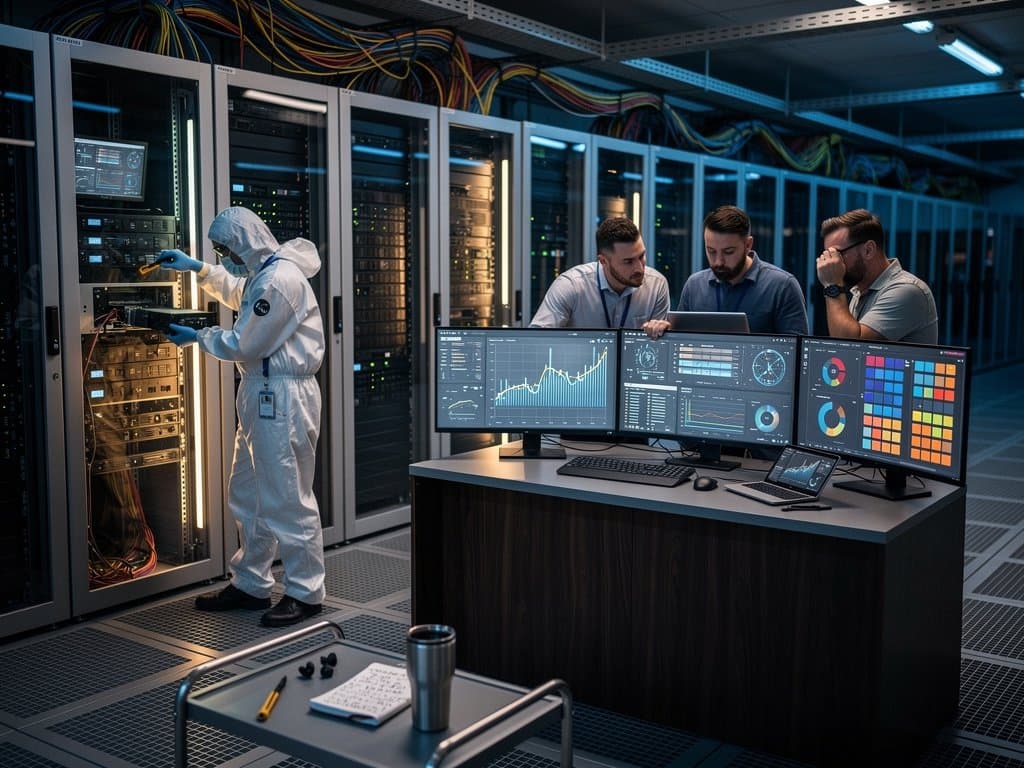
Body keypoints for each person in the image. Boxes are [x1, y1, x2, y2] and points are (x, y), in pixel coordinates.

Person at [158, 206, 326, 628]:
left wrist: (199, 337)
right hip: (263, 395)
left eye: (225, 249)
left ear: (244, 241)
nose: (225, 256)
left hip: (282, 397)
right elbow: (241, 294)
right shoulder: (265, 272)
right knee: (248, 494)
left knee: (287, 497)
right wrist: (198, 268)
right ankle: (251, 583)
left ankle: (306, 593)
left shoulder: (280, 279)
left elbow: (245, 342)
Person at [643, 205, 808, 338]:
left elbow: (795, 355)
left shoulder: (782, 286)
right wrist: (666, 332)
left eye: (728, 252)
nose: (718, 261)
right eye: (711, 251)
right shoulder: (694, 285)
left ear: (748, 245)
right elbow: (681, 343)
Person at [816, 208, 937, 343]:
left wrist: (833, 286)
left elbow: (851, 348)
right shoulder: (860, 291)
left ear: (868, 250)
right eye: (827, 255)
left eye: (836, 254)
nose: (830, 262)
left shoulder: (907, 291)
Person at [529, 216, 670, 329]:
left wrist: (663, 332)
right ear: (603, 261)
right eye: (628, 262)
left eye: (641, 256)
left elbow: (660, 347)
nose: (640, 268)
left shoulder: (656, 286)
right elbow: (537, 339)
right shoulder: (571, 286)